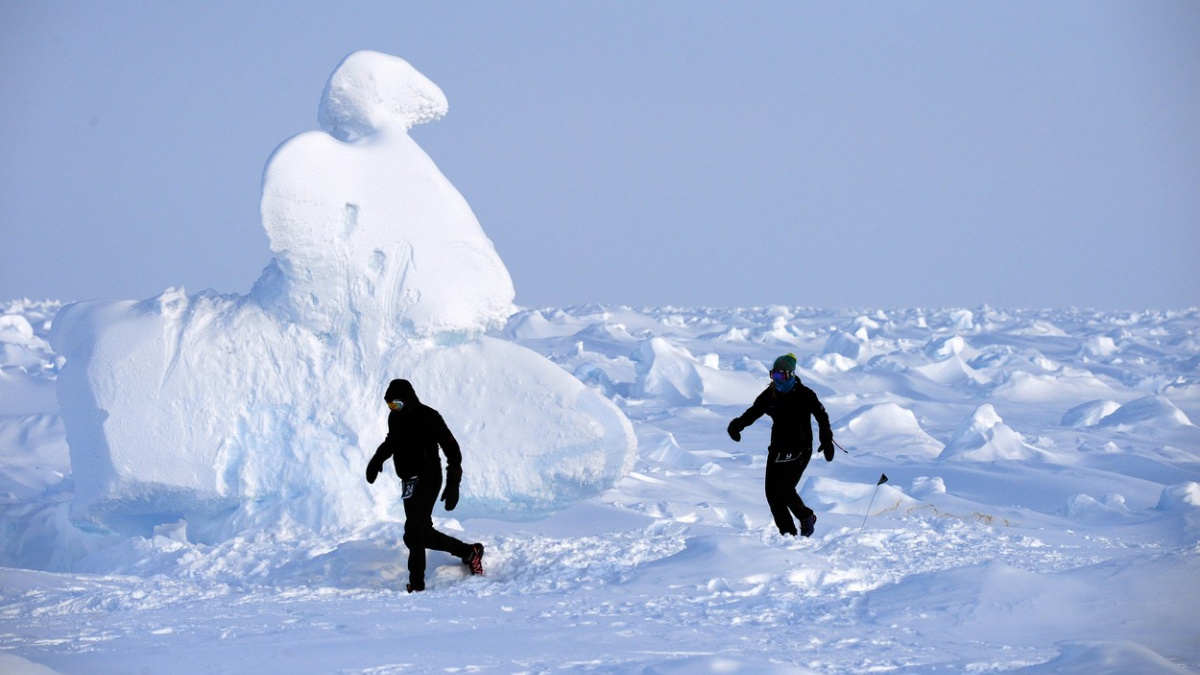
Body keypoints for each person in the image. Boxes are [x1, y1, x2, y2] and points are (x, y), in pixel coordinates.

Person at [366, 378, 484, 592]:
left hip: (429, 476)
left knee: (413, 530)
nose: (394, 409)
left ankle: (417, 586)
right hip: (409, 481)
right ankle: (469, 553)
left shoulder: (428, 416)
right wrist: (377, 459)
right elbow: (392, 440)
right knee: (419, 534)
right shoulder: (395, 417)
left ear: (408, 400)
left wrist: (453, 482)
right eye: (390, 405)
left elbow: (452, 448)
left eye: (397, 404)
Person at [727, 354, 835, 538]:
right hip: (778, 448)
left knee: (784, 489)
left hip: (800, 448)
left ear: (791, 374)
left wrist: (826, 438)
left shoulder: (804, 394)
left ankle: (806, 516)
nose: (777, 380)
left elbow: (821, 416)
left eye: (781, 376)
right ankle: (788, 534)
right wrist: (738, 425)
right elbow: (754, 411)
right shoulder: (770, 395)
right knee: (772, 494)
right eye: (773, 375)